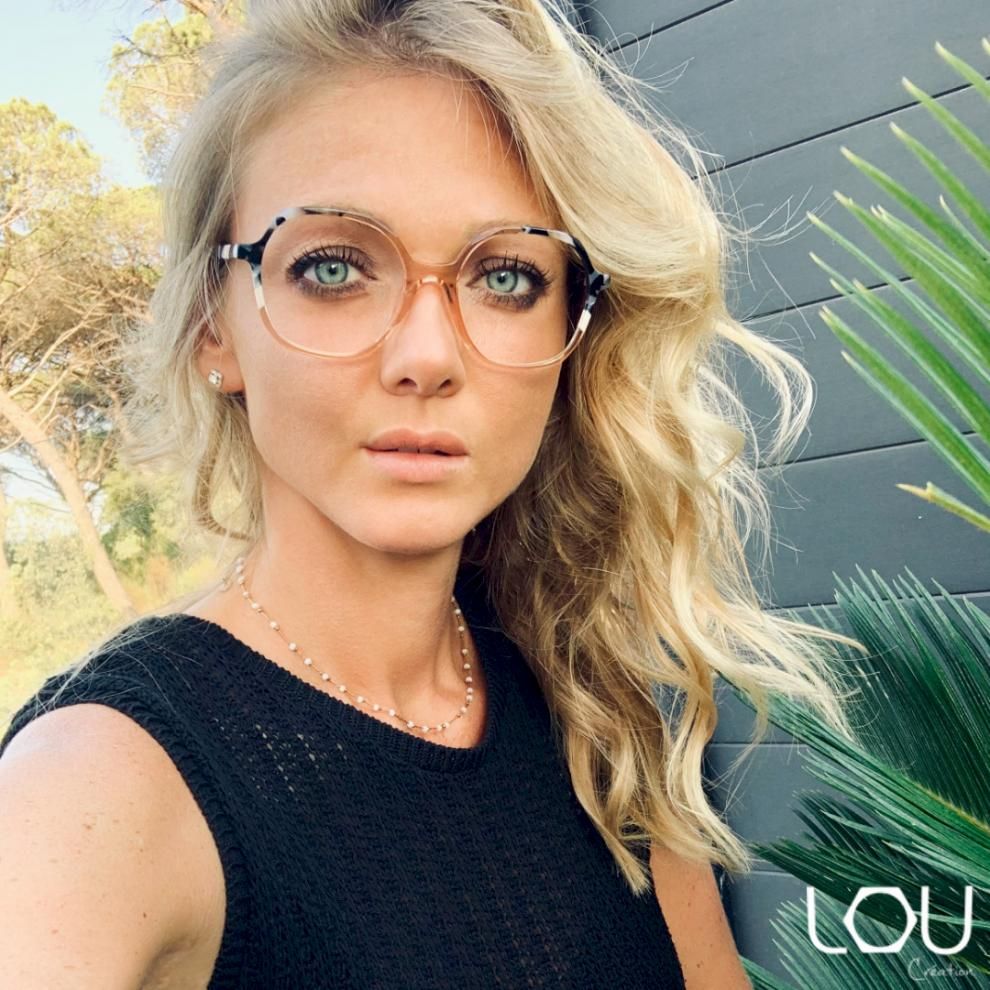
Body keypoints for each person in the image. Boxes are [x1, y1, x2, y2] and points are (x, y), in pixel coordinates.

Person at [0, 0, 865, 987]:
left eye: (505, 277)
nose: (427, 355)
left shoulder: (595, 714)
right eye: (333, 266)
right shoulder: (97, 788)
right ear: (214, 327)